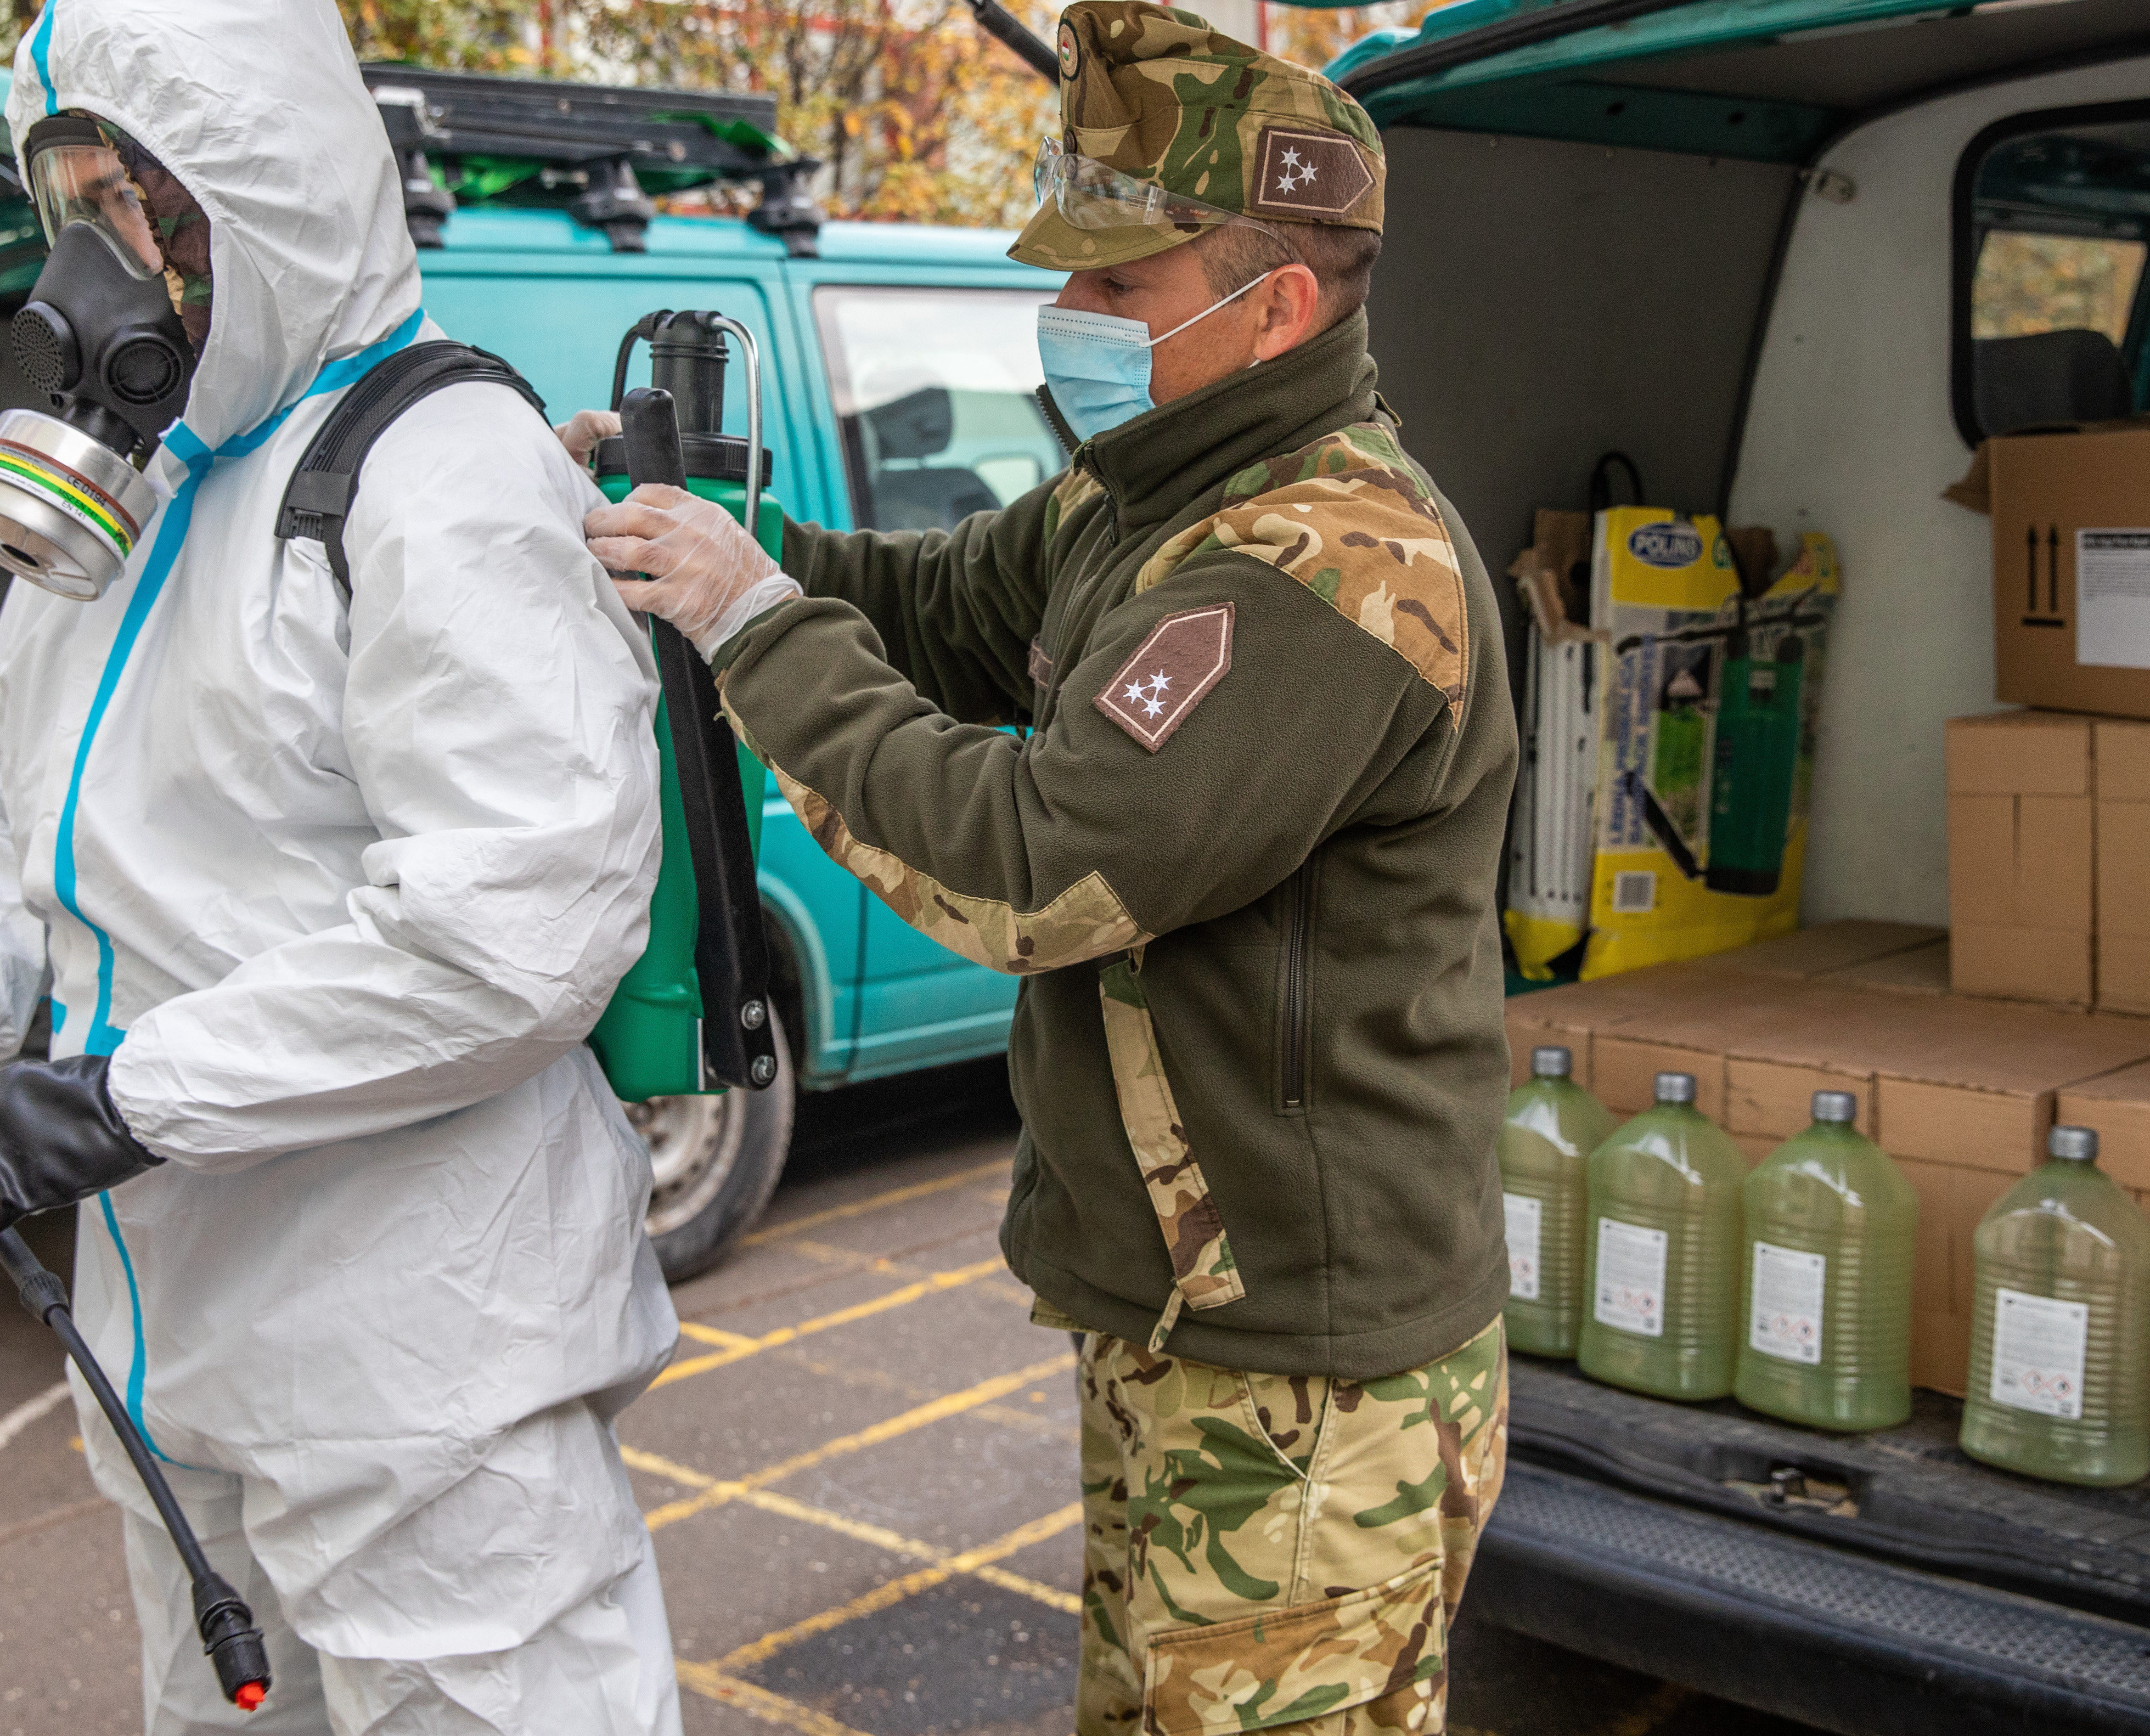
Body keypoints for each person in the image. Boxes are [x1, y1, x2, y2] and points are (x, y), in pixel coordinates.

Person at [585, 6, 1514, 1730]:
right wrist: (694, 529)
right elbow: (929, 607)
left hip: (1307, 1368)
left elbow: (1033, 869)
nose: (1064, 323)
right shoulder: (1149, 494)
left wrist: (748, 622)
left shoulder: (1332, 568)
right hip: (1187, 1313)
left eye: (1118, 292)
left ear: (1280, 308)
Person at [0, 1, 678, 1729]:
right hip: (169, 1341)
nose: (100, 263)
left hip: (413, 1362)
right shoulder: (141, 485)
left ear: (273, 187)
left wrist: (118, 1098)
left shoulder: (439, 467)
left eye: (141, 202)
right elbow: (10, 811)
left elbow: (515, 930)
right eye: (70, 203)